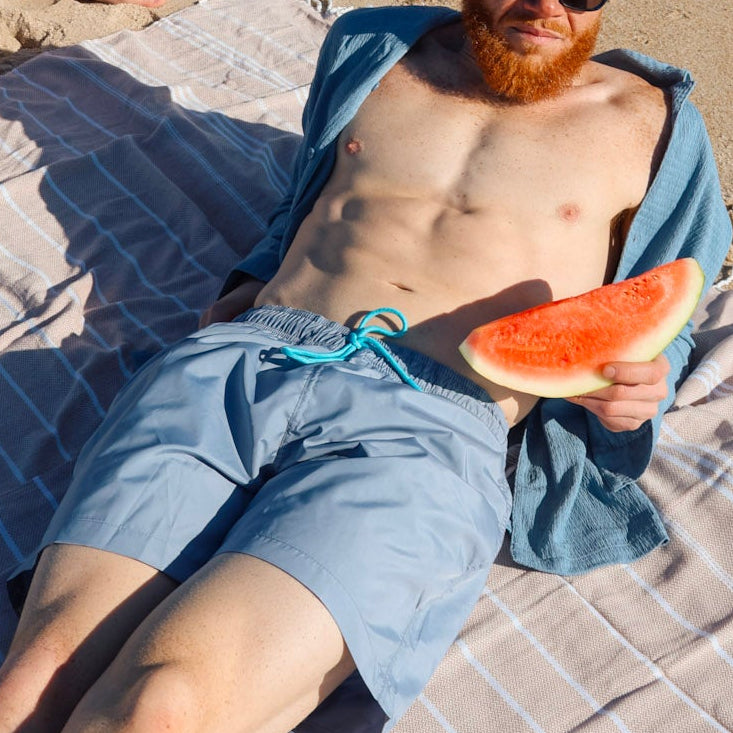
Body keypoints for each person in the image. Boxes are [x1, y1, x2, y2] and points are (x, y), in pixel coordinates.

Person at [1, 0, 730, 731]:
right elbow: (304, 201)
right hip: (242, 362)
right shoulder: (372, 45)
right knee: (32, 681)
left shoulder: (655, 125)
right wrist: (253, 281)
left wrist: (640, 391)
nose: (544, 5)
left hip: (430, 423)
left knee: (161, 703)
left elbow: (665, 307)